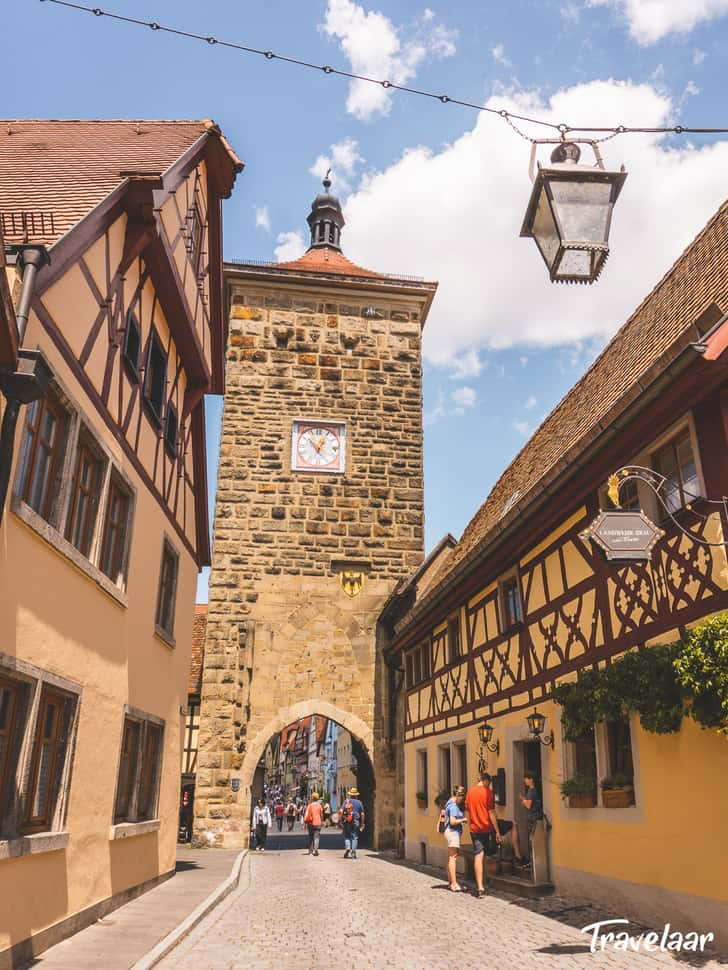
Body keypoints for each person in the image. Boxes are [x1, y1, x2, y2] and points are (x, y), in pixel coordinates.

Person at [465, 771, 501, 898]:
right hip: (485, 828)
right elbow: (491, 812)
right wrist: (497, 831)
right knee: (482, 855)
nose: (489, 785)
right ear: (486, 781)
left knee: (478, 855)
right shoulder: (488, 793)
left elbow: (468, 812)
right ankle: (481, 885)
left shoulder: (470, 792)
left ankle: (480, 886)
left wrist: (471, 825)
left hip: (474, 829)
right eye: (489, 783)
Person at [442, 786, 468, 891]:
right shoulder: (453, 806)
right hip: (453, 832)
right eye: (461, 795)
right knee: (453, 858)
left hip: (450, 832)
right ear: (456, 795)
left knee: (451, 857)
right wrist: (463, 820)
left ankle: (450, 882)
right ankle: (453, 884)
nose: (463, 797)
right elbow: (452, 822)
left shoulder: (449, 803)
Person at [520, 772, 542, 858]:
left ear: (531, 779)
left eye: (526, 778)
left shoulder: (531, 791)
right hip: (535, 817)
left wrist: (523, 801)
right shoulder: (534, 790)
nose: (524, 780)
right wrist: (525, 800)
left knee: (531, 840)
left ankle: (532, 862)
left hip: (532, 818)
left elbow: (529, 806)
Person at [341, 787, 365, 859]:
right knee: (354, 837)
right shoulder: (359, 802)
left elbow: (341, 811)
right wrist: (362, 823)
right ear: (356, 795)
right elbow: (362, 814)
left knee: (347, 836)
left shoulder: (346, 801)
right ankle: (353, 853)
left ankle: (348, 848)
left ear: (350, 794)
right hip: (356, 821)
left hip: (347, 821)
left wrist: (341, 820)